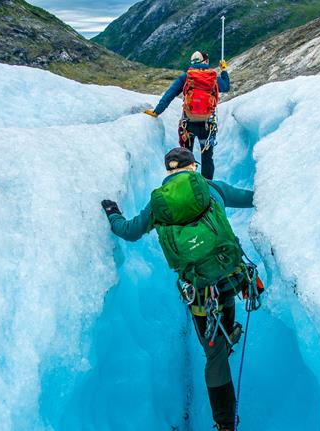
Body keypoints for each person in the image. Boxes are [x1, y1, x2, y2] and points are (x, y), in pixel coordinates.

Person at [101, 147, 259, 431]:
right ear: (193, 167)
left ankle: (224, 424)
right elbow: (252, 198)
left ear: (168, 171)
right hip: (229, 276)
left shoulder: (158, 205)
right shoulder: (212, 189)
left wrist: (113, 213)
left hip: (199, 291)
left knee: (214, 355)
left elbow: (129, 231)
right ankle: (228, 333)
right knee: (224, 316)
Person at [144, 51, 230, 180]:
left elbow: (169, 95)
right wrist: (223, 70)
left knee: (184, 156)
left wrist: (157, 111)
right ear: (205, 62)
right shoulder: (212, 77)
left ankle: (186, 182)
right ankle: (206, 186)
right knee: (207, 157)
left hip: (188, 124)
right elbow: (226, 87)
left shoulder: (186, 77)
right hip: (208, 125)